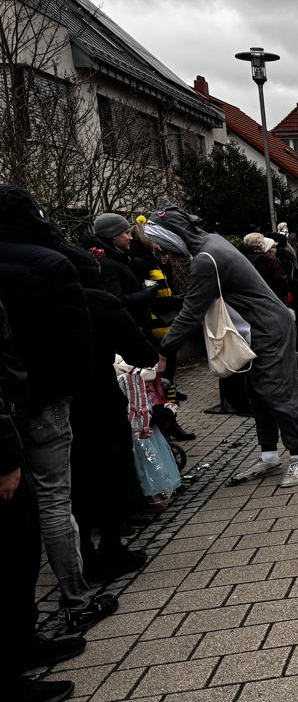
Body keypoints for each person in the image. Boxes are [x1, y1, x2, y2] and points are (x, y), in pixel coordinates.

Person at [0, 187, 119, 633]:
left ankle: (23, 622)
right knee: (54, 497)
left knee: (17, 513)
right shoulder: (52, 262)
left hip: (6, 402)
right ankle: (75, 598)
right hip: (46, 398)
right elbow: (76, 341)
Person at [148, 208, 298, 489]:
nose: (160, 248)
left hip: (269, 327)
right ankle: (269, 456)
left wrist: (165, 350)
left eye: (159, 240)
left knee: (276, 391)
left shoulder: (206, 258)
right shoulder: (212, 243)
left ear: (172, 235)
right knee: (257, 393)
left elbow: (192, 311)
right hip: (255, 328)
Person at [0, 298, 83, 702]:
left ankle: (23, 644)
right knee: (14, 552)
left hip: (22, 408)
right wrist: (5, 455)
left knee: (23, 547)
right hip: (18, 419)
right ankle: (7, 679)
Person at [67, 247, 154, 582]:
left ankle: (80, 553)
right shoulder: (100, 302)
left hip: (52, 401)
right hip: (99, 397)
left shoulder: (40, 300)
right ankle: (112, 547)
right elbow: (141, 352)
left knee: (71, 478)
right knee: (111, 468)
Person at [85, 213, 155, 330]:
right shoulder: (107, 264)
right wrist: (145, 292)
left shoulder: (119, 258)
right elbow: (117, 302)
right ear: (113, 235)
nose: (131, 237)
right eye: (127, 233)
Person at [243, 232, 290, 305]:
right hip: (271, 301)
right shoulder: (269, 261)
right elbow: (281, 282)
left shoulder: (243, 259)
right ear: (261, 244)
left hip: (249, 302)